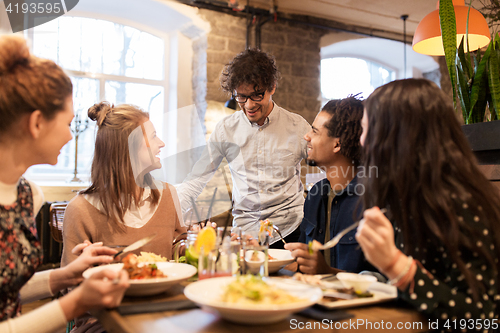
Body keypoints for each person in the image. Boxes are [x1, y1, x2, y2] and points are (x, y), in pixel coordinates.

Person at [0, 35, 129, 333]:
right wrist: (75, 303)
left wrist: (67, 275)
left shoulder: (27, 195)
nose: (71, 136)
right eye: (68, 122)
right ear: (36, 123)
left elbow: (8, 290)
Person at [356, 78, 499, 328]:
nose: (362, 141)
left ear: (397, 137)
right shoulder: (407, 197)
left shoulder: (463, 203)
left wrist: (396, 266)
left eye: (367, 129)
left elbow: (481, 319)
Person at [61, 102, 187, 333]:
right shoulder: (80, 209)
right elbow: (73, 287)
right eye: (153, 136)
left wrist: (192, 246)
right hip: (103, 322)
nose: (162, 144)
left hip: (164, 312)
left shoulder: (169, 195)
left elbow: (178, 248)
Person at [177, 48, 311, 248]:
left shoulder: (297, 126)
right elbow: (195, 180)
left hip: (290, 230)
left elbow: (328, 166)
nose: (248, 105)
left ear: (272, 87)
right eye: (241, 97)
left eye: (257, 96)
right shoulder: (225, 130)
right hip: (244, 236)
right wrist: (168, 212)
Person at [285, 96, 372, 274]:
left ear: (337, 144)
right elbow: (300, 263)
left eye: (315, 132)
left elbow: (384, 282)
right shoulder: (315, 195)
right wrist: (261, 254)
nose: (306, 136)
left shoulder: (371, 200)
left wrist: (327, 271)